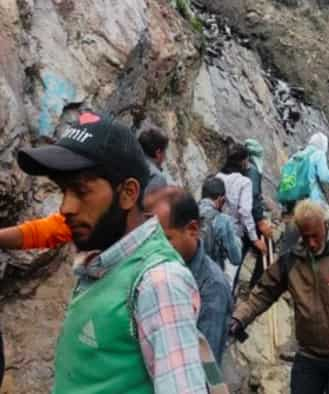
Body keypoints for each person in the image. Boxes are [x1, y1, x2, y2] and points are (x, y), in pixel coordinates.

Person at [16, 113, 215, 393]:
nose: (66, 207)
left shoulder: (158, 282)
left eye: (81, 191)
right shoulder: (108, 265)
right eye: (63, 191)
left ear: (128, 193)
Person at [230, 200, 329, 394]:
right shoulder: (291, 261)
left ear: (326, 225)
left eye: (315, 235)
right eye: (306, 237)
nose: (311, 243)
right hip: (308, 356)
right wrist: (240, 317)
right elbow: (263, 292)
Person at [150, 188, 233, 364]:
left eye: (165, 239)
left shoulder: (212, 287)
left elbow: (205, 364)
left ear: (192, 230)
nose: (156, 248)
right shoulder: (160, 268)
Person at [217, 144, 267, 287]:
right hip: (233, 234)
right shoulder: (244, 182)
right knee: (228, 279)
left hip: (215, 230)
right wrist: (254, 238)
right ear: (244, 161)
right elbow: (245, 212)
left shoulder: (218, 176)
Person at [199, 176, 243, 287]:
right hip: (209, 281)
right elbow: (236, 258)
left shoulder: (188, 209)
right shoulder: (223, 220)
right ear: (220, 199)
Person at [244, 138, 274, 287]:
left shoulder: (241, 168)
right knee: (267, 247)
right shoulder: (253, 171)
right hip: (250, 220)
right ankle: (257, 287)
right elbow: (253, 196)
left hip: (241, 219)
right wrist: (261, 220)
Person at [137, 125, 169, 194]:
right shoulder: (158, 178)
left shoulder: (127, 158)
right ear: (158, 153)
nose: (165, 157)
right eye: (165, 151)